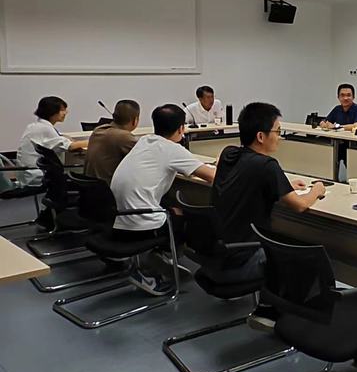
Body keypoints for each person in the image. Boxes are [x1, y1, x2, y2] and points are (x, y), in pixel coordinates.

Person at [212, 102, 326, 330]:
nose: (280, 138)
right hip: (242, 258)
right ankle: (271, 312)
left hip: (216, 252)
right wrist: (317, 189)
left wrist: (283, 183)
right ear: (261, 136)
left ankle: (269, 303)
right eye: (277, 131)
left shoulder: (229, 153)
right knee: (307, 257)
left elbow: (249, 177)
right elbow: (300, 205)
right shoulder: (267, 165)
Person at [110, 104, 215, 295]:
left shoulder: (144, 141)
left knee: (174, 207)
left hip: (119, 216)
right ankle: (149, 268)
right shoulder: (172, 150)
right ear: (181, 128)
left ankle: (157, 255)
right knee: (195, 218)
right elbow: (212, 177)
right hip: (141, 224)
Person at [16, 96, 89, 189]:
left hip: (28, 174)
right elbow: (69, 146)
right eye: (62, 110)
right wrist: (93, 141)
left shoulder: (36, 126)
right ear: (51, 111)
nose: (66, 112)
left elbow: (56, 139)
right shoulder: (45, 129)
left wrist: (64, 137)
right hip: (37, 176)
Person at [84, 100, 140, 184]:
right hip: (107, 188)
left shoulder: (98, 130)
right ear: (135, 120)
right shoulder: (123, 137)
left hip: (90, 187)